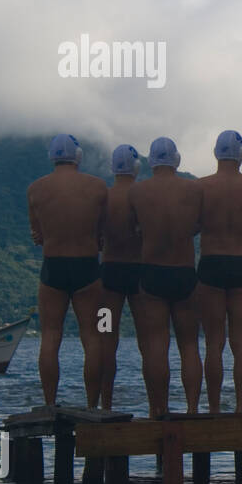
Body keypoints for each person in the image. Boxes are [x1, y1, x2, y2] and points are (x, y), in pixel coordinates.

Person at [26, 134, 106, 407]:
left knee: (50, 335)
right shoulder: (97, 187)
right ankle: (92, 405)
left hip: (54, 266)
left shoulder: (36, 189)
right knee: (92, 337)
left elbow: (37, 235)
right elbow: (103, 231)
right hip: (86, 265)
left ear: (52, 157)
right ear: (78, 156)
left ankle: (49, 403)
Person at [128, 137, 203, 417]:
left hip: (152, 271)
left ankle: (156, 409)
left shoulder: (137, 192)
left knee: (156, 345)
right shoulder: (195, 190)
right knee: (189, 346)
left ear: (150, 161)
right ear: (177, 159)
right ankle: (194, 409)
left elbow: (133, 229)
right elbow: (200, 223)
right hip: (184, 270)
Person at [197, 130, 242, 414]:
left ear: (215, 153)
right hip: (240, 261)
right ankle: (239, 408)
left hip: (211, 260)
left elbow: (196, 223)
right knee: (241, 341)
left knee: (214, 342)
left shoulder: (200, 187)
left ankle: (213, 408)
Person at [97, 144, 144, 411]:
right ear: (137, 168)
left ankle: (105, 404)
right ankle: (156, 408)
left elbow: (94, 236)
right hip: (139, 272)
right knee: (150, 342)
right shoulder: (145, 198)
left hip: (110, 273)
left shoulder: (103, 197)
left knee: (106, 340)